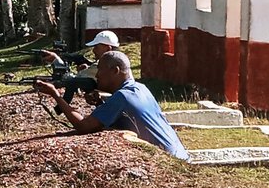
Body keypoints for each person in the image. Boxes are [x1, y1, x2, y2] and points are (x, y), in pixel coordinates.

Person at [34, 51, 190, 161]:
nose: (97, 76)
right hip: (180, 155)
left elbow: (83, 126)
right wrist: (102, 103)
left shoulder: (122, 97)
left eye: (100, 70)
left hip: (167, 160)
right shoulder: (141, 88)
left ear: (115, 71)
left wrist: (55, 95)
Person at [40, 30, 120, 103]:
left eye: (96, 47)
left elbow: (70, 79)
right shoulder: (118, 62)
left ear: (107, 49)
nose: (94, 50)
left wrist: (56, 59)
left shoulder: (105, 66)